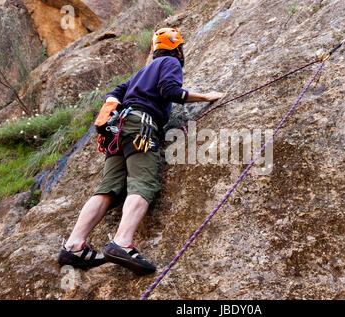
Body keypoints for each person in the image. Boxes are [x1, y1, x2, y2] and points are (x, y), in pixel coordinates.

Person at [57, 28, 224, 275]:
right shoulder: (170, 62)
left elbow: (114, 93)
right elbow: (170, 91)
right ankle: (122, 242)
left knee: (108, 188)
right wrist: (206, 96)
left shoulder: (140, 73)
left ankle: (74, 245)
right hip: (141, 129)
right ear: (177, 49)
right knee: (142, 183)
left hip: (118, 130)